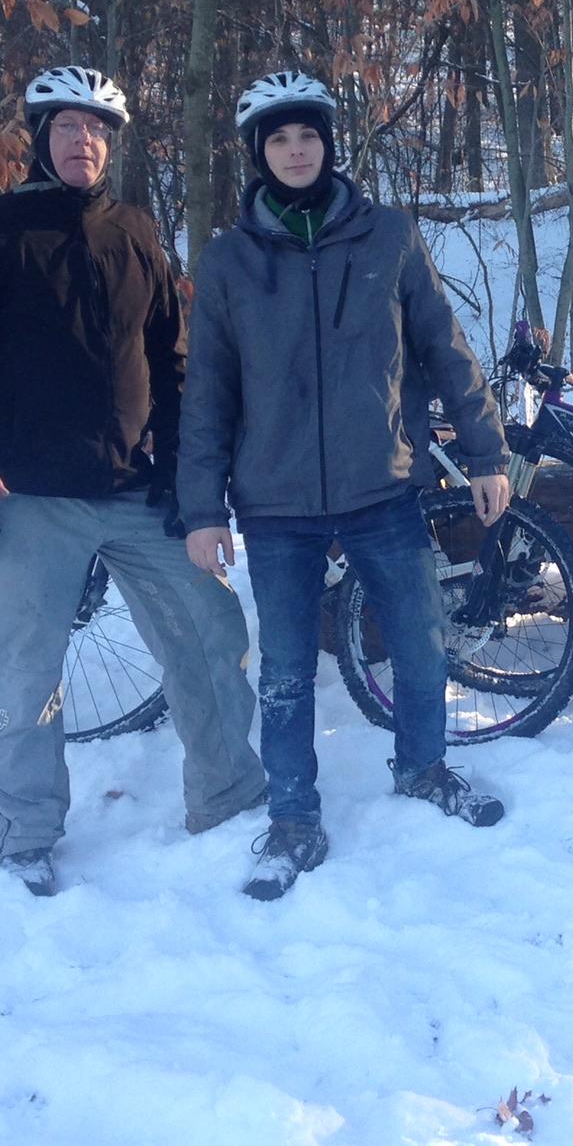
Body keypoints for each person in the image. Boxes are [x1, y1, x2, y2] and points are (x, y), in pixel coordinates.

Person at [0, 66, 266, 896]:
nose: (83, 141)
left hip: (139, 495)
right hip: (27, 498)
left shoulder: (136, 230)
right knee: (26, 672)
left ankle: (231, 799)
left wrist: (179, 473)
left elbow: (173, 361)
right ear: (39, 137)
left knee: (211, 637)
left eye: (97, 129)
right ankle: (26, 835)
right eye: (66, 126)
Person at [179, 70, 511, 901]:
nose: (296, 151)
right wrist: (201, 510)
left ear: (330, 144)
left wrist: (487, 453)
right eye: (279, 139)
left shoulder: (388, 236)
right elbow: (208, 394)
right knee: (286, 669)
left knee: (421, 642)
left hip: (382, 487)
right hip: (275, 503)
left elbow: (446, 349)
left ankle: (425, 766)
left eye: (309, 136)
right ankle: (293, 819)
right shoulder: (226, 261)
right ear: (259, 154)